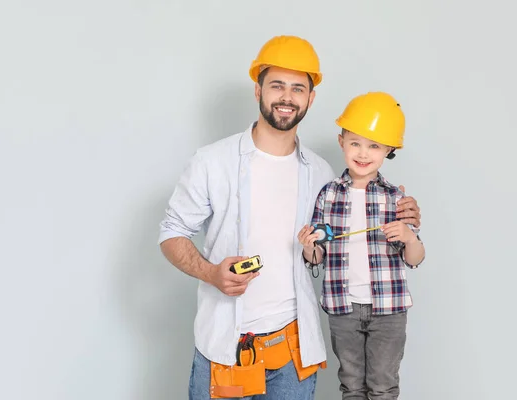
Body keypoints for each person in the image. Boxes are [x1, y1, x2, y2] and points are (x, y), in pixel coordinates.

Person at [158, 36, 422, 400]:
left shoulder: (321, 173)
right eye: (277, 85)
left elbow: (355, 217)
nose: (287, 97)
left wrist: (404, 212)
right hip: (224, 349)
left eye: (298, 88)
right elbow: (172, 232)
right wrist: (210, 273)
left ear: (310, 99)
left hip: (292, 355)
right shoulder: (211, 162)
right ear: (258, 90)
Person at [298, 92, 426, 400]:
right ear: (341, 141)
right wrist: (307, 247)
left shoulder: (397, 197)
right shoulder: (327, 195)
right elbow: (317, 256)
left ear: (388, 151)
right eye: (355, 142)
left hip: (389, 310)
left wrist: (408, 237)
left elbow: (416, 257)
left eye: (374, 146)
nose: (363, 153)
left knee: (383, 387)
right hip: (343, 309)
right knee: (352, 387)